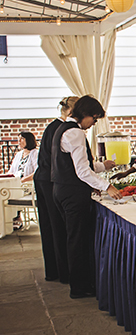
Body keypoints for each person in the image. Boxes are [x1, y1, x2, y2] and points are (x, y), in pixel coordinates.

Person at [51, 95, 122, 299]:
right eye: (94, 118)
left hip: (61, 190)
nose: (94, 123)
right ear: (85, 114)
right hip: (72, 194)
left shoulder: (62, 128)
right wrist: (107, 186)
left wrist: (101, 168)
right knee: (78, 241)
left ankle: (79, 283)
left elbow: (77, 165)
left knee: (74, 238)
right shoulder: (75, 133)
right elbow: (82, 172)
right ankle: (80, 287)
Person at [33, 96, 78, 283]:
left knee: (48, 226)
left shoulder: (52, 126)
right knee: (58, 226)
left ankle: (53, 270)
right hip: (51, 180)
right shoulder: (64, 129)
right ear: (71, 112)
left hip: (42, 178)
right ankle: (64, 273)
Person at [7, 131, 39, 229]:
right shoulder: (18, 155)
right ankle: (6, 221)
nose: (19, 141)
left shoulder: (35, 153)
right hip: (16, 183)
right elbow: (11, 171)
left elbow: (37, 171)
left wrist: (24, 179)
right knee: (4, 192)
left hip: (28, 185)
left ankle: (16, 217)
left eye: (22, 139)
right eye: (18, 139)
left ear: (28, 140)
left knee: (10, 192)